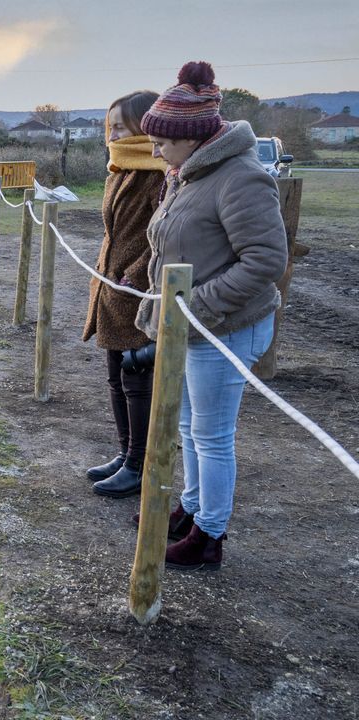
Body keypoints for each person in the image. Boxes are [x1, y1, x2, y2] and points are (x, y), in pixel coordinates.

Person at [136, 61, 288, 571]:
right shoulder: (187, 174)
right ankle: (194, 507)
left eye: (162, 141)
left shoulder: (240, 177)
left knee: (213, 433)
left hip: (225, 326)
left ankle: (209, 535)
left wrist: (191, 306)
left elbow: (266, 262)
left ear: (194, 136)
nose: (154, 150)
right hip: (190, 326)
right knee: (187, 422)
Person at [83, 90, 167, 499]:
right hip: (112, 286)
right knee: (116, 374)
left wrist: (134, 276)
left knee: (137, 376)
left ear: (142, 126)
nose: (112, 133)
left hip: (137, 288)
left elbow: (162, 236)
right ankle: (124, 453)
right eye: (109, 125)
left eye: (120, 125)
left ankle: (138, 464)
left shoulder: (159, 172)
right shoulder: (119, 166)